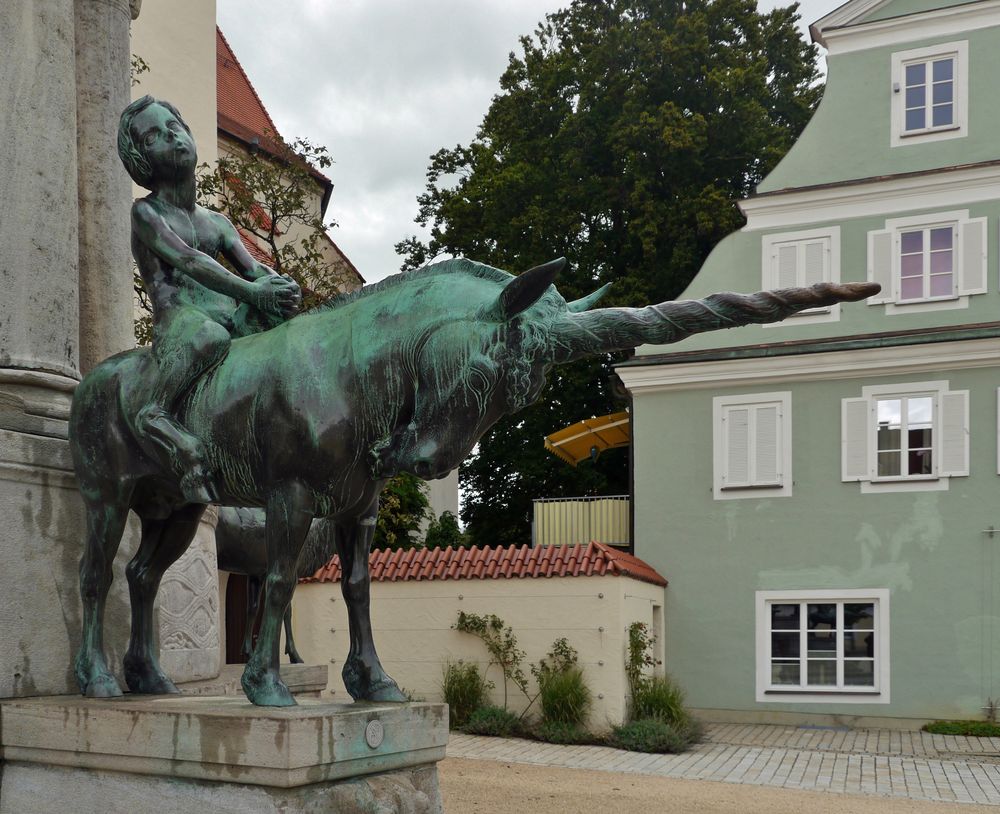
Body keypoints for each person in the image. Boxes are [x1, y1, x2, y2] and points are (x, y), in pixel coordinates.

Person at [119, 95, 301, 502]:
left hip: (225, 316)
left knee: (282, 336)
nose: (171, 138)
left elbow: (253, 269)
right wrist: (253, 292)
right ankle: (156, 412)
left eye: (174, 127)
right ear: (139, 158)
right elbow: (189, 260)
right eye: (154, 136)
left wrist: (281, 288)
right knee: (210, 336)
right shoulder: (146, 213)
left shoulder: (216, 220)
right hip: (183, 321)